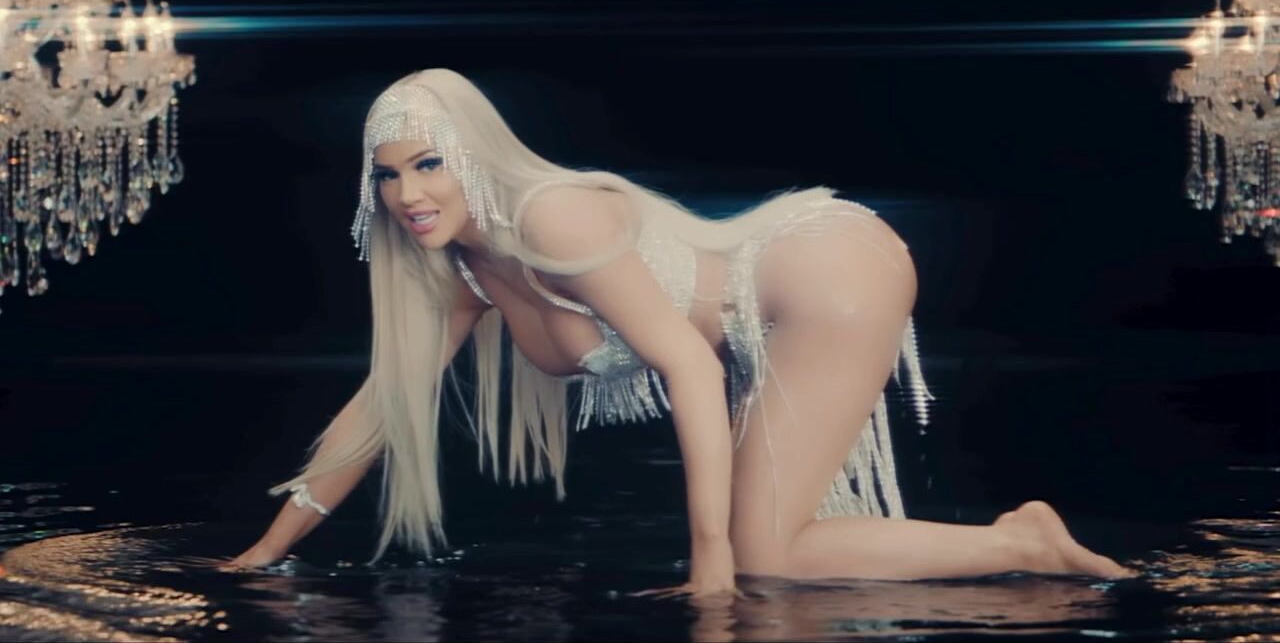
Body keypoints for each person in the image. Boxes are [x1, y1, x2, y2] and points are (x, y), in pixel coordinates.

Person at [227, 68, 1132, 596]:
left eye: (428, 164)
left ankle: (1024, 545)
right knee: (775, 552)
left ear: (471, 157)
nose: (408, 194)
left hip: (823, 271)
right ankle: (1021, 539)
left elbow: (691, 367)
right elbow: (379, 410)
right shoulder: (465, 273)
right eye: (387, 176)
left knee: (761, 556)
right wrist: (264, 554)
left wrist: (709, 566)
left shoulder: (551, 219)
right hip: (784, 302)